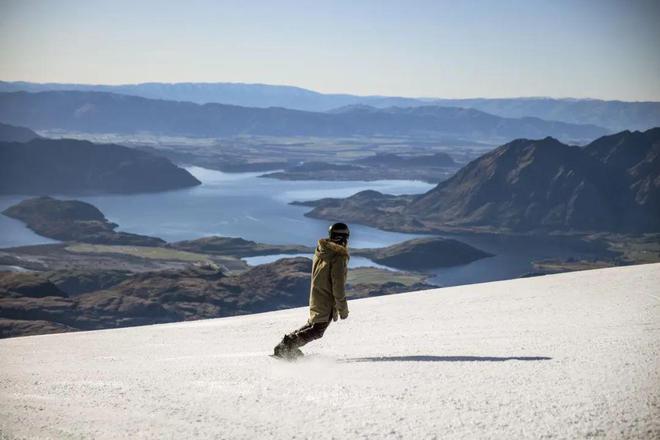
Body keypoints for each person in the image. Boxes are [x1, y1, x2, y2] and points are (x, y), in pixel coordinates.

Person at [273, 222, 350, 359]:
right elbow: (338, 286)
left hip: (317, 294)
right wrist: (343, 309)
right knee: (318, 329)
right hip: (326, 298)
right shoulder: (338, 257)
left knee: (314, 325)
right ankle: (288, 347)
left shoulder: (322, 250)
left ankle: (286, 345)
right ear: (343, 238)